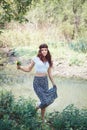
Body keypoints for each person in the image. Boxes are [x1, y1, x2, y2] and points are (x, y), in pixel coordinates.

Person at [17, 43, 57, 122]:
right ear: (40, 51)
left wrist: (54, 84)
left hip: (45, 82)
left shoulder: (49, 60)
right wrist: (20, 67)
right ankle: (36, 108)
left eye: (45, 50)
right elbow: (28, 69)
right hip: (37, 82)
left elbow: (49, 73)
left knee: (47, 101)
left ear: (47, 50)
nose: (44, 51)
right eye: (42, 50)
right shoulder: (35, 59)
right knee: (44, 101)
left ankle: (42, 119)